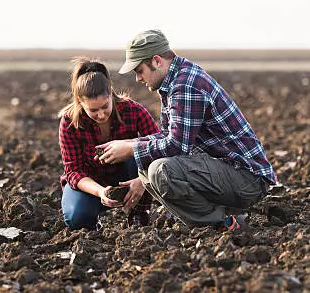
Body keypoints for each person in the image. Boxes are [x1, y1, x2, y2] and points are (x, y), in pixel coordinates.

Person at [97, 29, 277, 231]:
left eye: (139, 70)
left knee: (160, 171)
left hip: (248, 179)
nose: (138, 78)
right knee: (147, 166)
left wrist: (131, 149)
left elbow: (176, 146)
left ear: (156, 61)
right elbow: (168, 135)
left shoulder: (185, 85)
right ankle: (223, 216)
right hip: (227, 171)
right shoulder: (173, 80)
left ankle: (224, 224)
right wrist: (130, 144)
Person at [58, 57, 160, 230]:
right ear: (80, 102)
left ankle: (138, 215)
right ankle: (92, 224)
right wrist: (100, 192)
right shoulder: (69, 122)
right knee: (77, 217)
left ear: (111, 93)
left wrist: (142, 181)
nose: (101, 114)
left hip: (129, 176)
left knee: (140, 149)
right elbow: (73, 171)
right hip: (91, 182)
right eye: (93, 110)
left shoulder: (133, 111)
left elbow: (161, 145)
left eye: (105, 106)